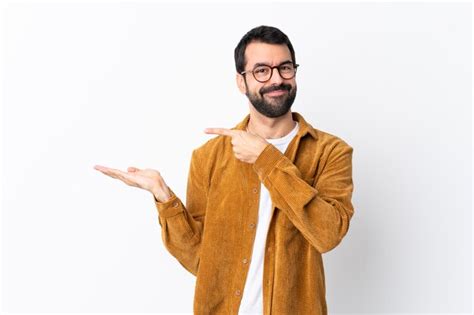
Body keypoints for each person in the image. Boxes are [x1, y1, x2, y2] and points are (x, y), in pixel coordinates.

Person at [94, 25, 355, 315]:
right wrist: (164, 197)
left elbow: (328, 234)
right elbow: (200, 260)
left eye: (285, 68)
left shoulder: (330, 152)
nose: (277, 79)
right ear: (241, 82)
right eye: (261, 71)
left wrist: (266, 159)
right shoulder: (208, 157)